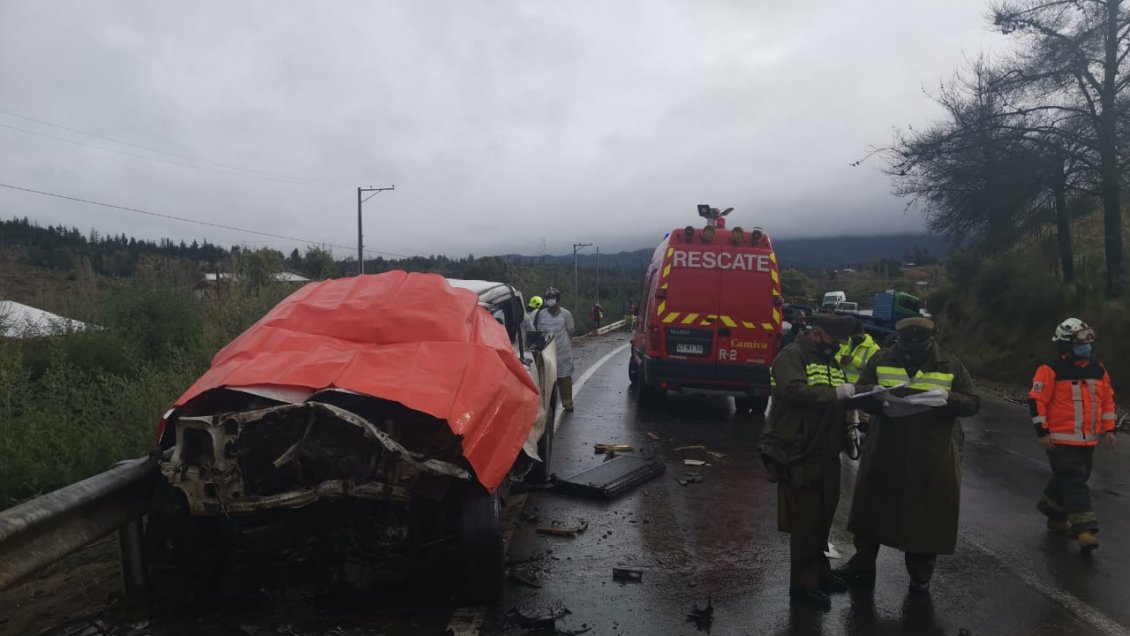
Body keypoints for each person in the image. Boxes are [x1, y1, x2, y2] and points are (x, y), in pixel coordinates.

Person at [834, 317, 979, 593]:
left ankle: (920, 576)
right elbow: (859, 391)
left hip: (932, 453)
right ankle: (862, 566)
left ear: (931, 341)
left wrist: (947, 398)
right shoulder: (881, 358)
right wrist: (874, 396)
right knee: (871, 509)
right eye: (906, 342)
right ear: (899, 340)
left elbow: (973, 403)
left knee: (927, 514)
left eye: (919, 343)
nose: (912, 348)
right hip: (886, 447)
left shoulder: (951, 364)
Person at [760, 314, 857, 609]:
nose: (837, 347)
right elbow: (794, 392)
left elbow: (836, 400)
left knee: (823, 516)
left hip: (827, 451)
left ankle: (820, 572)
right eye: (833, 341)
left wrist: (852, 424)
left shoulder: (829, 360)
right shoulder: (791, 356)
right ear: (817, 335)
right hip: (799, 451)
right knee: (805, 520)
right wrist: (834, 393)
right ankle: (802, 585)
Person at [1029, 318, 1117, 551]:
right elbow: (1037, 401)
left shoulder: (1098, 369)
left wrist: (1109, 429)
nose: (1087, 344)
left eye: (1089, 338)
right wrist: (1042, 432)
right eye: (1081, 339)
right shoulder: (1050, 370)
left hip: (1088, 439)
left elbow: (1107, 400)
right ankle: (1085, 529)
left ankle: (1054, 515)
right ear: (1066, 344)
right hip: (1060, 440)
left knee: (1071, 478)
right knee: (1074, 480)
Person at [533, 287, 576, 411]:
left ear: (557, 299)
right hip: (547, 352)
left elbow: (571, 331)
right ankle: (546, 406)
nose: (550, 301)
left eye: (552, 298)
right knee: (547, 379)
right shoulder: (541, 314)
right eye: (547, 299)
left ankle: (567, 402)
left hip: (563, 352)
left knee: (565, 378)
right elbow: (539, 330)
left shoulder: (566, 314)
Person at [838, 320, 881, 430]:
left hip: (863, 386)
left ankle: (864, 438)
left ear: (863, 334)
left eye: (858, 336)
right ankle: (851, 436)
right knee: (849, 416)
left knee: (864, 417)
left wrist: (853, 360)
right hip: (846, 384)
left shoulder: (873, 348)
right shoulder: (846, 343)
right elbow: (836, 355)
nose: (855, 339)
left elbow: (871, 368)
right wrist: (840, 360)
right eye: (853, 336)